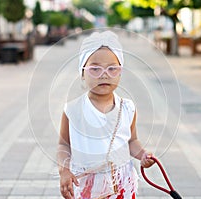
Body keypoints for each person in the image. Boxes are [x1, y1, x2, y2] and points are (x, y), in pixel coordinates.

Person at [57, 30, 155, 199]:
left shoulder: (127, 108)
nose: (104, 74)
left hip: (121, 186)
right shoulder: (73, 110)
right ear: (82, 72)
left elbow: (132, 141)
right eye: (95, 69)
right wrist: (64, 170)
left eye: (112, 69)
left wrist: (143, 155)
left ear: (120, 72)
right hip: (86, 187)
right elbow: (63, 145)